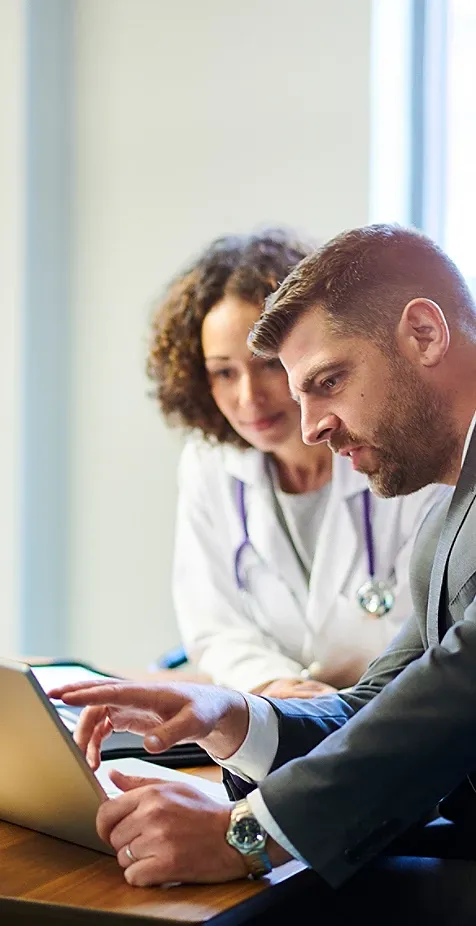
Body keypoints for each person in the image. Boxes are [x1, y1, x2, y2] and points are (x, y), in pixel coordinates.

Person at [49, 222, 476, 892]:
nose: (310, 427)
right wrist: (234, 715)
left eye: (328, 380)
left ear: (423, 334)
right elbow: (382, 702)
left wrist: (246, 834)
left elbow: (459, 697)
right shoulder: (449, 512)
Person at [147, 227, 441, 697]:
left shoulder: (398, 452)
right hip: (269, 714)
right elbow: (213, 625)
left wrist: (328, 704)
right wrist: (273, 685)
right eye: (224, 372)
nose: (249, 399)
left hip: (386, 718)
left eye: (267, 365)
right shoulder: (211, 464)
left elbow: (427, 633)